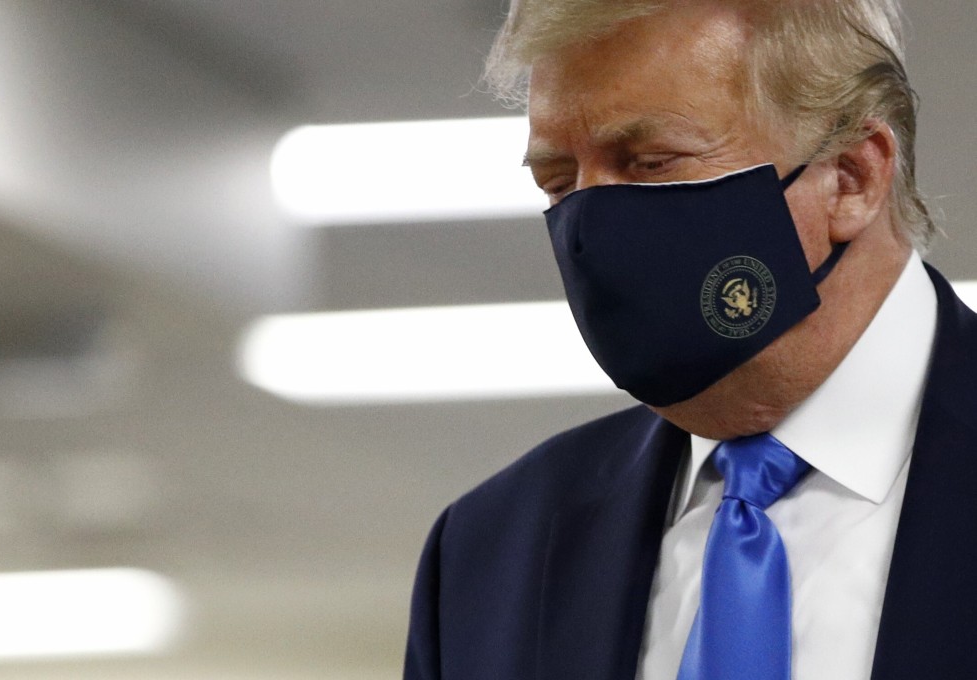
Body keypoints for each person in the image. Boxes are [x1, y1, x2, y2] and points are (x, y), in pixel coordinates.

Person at [404, 1, 977, 678]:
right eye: (558, 182)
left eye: (652, 163)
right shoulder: (486, 557)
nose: (590, 231)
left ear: (851, 177)